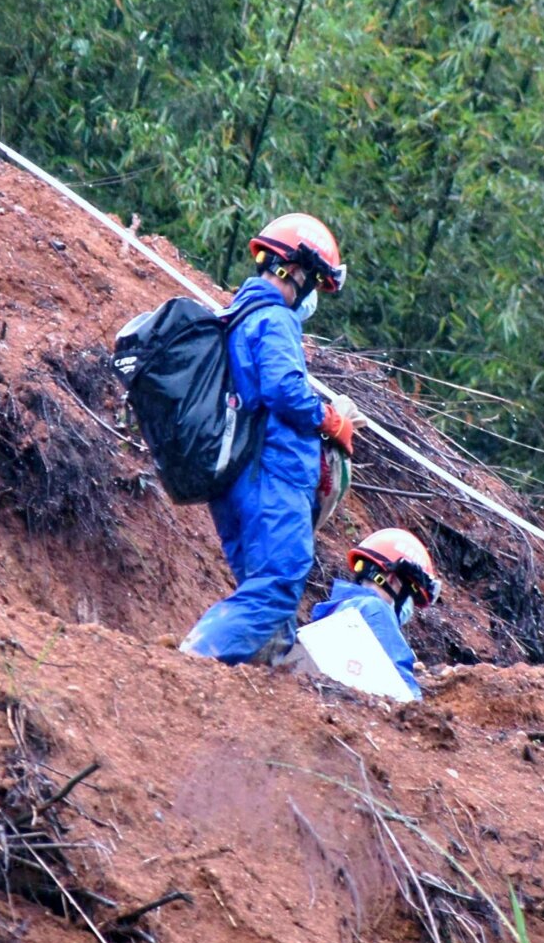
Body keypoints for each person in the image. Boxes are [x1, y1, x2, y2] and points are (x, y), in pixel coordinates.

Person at [179, 213, 358, 663]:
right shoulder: (275, 319)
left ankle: (276, 682)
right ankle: (191, 662)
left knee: (269, 606)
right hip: (271, 476)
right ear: (296, 271)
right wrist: (329, 420)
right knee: (278, 585)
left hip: (237, 481)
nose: (312, 296)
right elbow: (282, 389)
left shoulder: (238, 315)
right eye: (315, 282)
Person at [304, 528, 442, 698]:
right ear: (392, 579)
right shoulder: (376, 611)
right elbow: (404, 694)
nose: (410, 609)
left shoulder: (338, 608)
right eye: (411, 597)